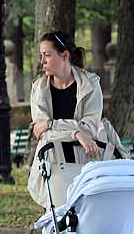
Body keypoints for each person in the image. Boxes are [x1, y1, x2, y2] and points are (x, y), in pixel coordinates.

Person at [31, 31, 103, 159]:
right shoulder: (38, 88)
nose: (42, 61)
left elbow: (89, 129)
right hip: (50, 166)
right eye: (41, 55)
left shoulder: (90, 85)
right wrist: (76, 134)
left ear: (64, 55)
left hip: (85, 164)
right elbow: (42, 134)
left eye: (47, 55)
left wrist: (51, 125)